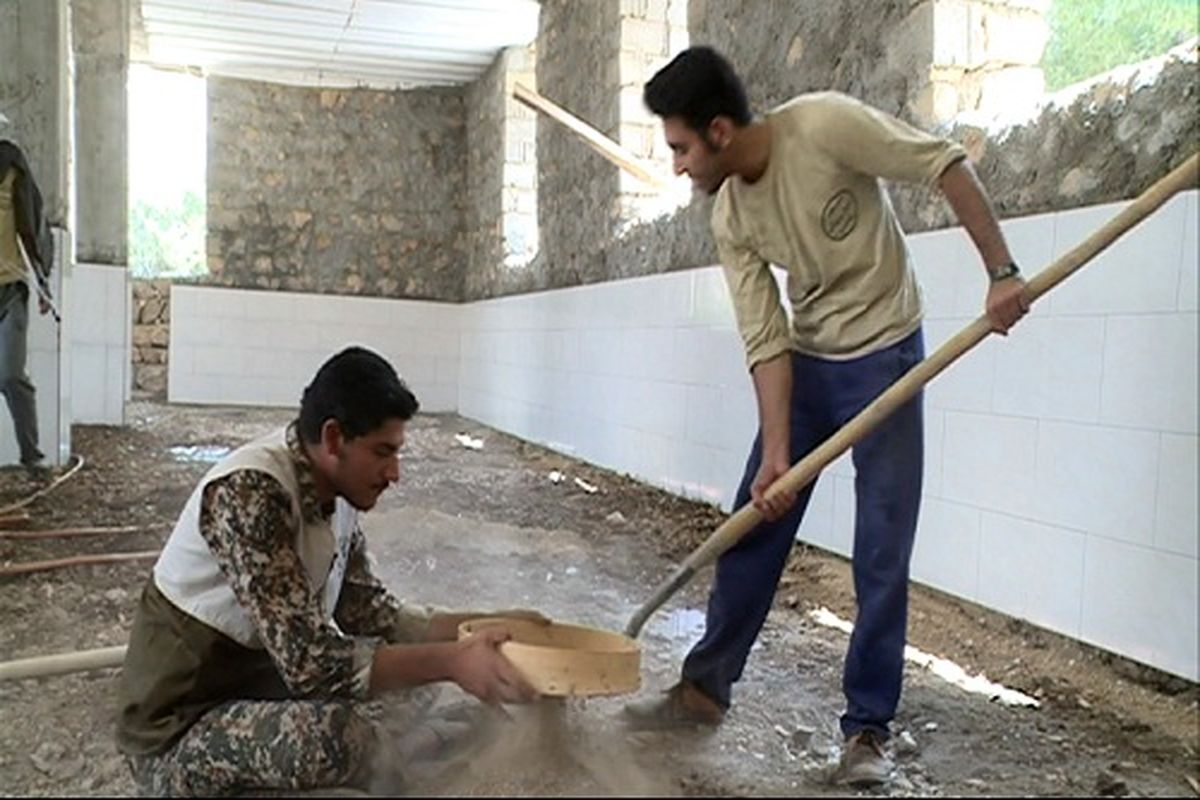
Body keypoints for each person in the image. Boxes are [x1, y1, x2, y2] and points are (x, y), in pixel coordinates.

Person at [623, 47, 1028, 786]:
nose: (678, 165)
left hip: (887, 354)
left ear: (718, 131)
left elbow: (943, 163)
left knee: (880, 550)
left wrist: (1001, 272)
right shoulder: (732, 215)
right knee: (755, 522)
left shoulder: (826, 125)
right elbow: (766, 336)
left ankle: (866, 732)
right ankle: (703, 692)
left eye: (680, 147)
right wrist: (776, 452)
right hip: (809, 363)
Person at [116, 346, 545, 796]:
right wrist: (454, 663)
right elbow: (311, 665)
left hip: (259, 691)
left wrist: (484, 626)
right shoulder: (249, 493)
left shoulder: (336, 493)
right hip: (178, 731)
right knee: (341, 735)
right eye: (383, 452)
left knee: (418, 690)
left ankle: (388, 759)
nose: (394, 473)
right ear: (335, 438)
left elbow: (374, 614)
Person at [0, 133, 54, 471]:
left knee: (10, 375)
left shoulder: (11, 164)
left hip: (11, 289)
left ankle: (32, 457)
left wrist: (44, 283)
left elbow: (32, 225)